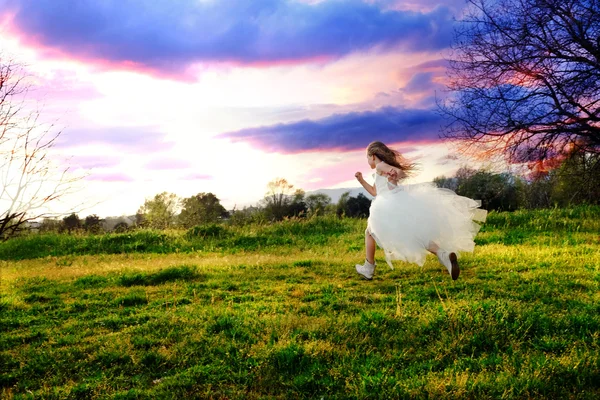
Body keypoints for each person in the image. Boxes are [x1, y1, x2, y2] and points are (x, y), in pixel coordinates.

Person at [354, 141, 487, 280]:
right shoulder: (379, 171)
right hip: (397, 201)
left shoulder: (380, 166)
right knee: (416, 234)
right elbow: (375, 192)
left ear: (373, 156)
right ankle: (444, 255)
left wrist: (395, 174)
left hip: (388, 204)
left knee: (369, 232)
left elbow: (399, 173)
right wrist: (361, 180)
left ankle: (368, 268)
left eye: (367, 158)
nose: (368, 161)